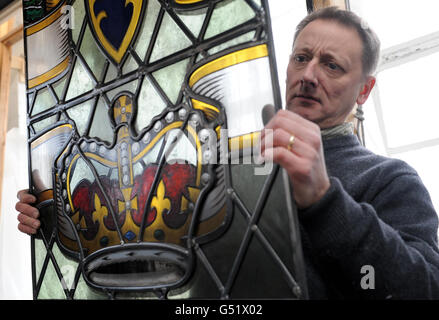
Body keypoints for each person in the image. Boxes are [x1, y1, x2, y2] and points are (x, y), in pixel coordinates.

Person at [16, 7, 439, 299]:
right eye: (301, 58)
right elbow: (161, 271)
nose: (309, 75)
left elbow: (418, 290)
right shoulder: (221, 156)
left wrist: (326, 202)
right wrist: (59, 221)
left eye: (332, 66)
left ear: (364, 88)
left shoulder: (390, 179)